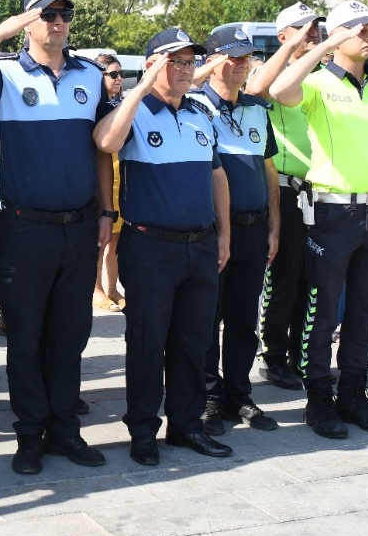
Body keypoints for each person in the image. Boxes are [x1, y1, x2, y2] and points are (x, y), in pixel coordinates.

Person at [0, 0, 112, 474]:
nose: (57, 22)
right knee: (25, 337)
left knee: (70, 334)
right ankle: (30, 434)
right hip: (25, 227)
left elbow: (101, 149)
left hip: (78, 226)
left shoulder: (89, 76)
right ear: (29, 22)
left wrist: (106, 212)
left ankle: (64, 429)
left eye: (64, 13)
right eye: (46, 14)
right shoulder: (6, 74)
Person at [269, 1, 368, 438]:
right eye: (360, 29)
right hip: (333, 211)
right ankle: (319, 400)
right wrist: (324, 43)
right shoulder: (316, 83)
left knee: (364, 313)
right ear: (338, 35)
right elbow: (279, 91)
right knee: (322, 313)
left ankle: (353, 394)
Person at [96, 28, 232, 466]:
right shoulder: (132, 110)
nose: (184, 69)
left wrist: (224, 233)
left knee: (195, 342)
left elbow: (217, 176)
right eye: (174, 61)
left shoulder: (199, 114)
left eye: (189, 62)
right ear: (153, 64)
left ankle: (187, 424)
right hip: (150, 247)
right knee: (147, 343)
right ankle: (142, 429)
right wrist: (138, 87)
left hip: (200, 245)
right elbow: (105, 142)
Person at [193, 26, 280, 437]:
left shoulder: (257, 109)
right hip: (211, 232)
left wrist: (274, 226)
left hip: (254, 227)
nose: (242, 64)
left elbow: (269, 172)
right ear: (212, 61)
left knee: (245, 318)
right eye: (232, 56)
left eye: (247, 56)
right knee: (208, 317)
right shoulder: (194, 105)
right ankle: (209, 395)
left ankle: (239, 394)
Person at [246, 3, 323, 391]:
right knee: (284, 279)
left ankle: (301, 354)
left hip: (324, 192)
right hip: (286, 191)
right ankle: (273, 357)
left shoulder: (324, 75)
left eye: (315, 29)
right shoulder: (272, 73)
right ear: (283, 36)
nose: (313, 35)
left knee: (314, 281)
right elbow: (256, 89)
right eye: (302, 29)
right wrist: (294, 50)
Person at [94, 54, 126, 312]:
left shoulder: (123, 103)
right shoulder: (93, 106)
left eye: (120, 75)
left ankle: (113, 288)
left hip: (121, 178)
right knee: (100, 240)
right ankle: (97, 289)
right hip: (101, 180)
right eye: (112, 74)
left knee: (115, 241)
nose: (118, 79)